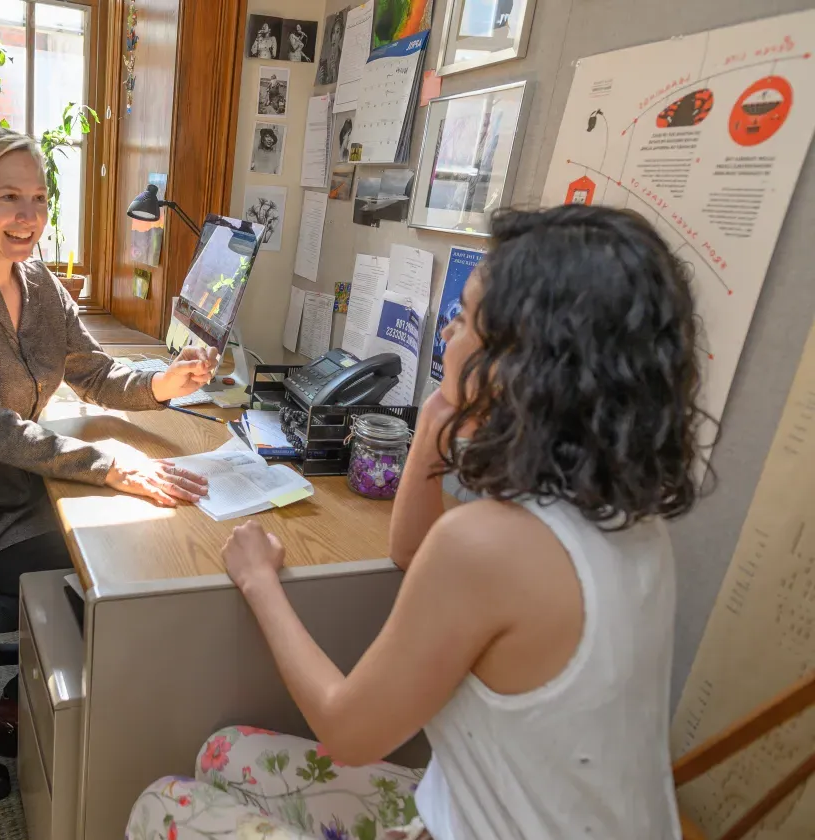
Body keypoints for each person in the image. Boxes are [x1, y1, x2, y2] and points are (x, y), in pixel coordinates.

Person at [126, 205, 709, 840]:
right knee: (222, 751)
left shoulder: (488, 543)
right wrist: (438, 411)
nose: (447, 331)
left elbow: (347, 732)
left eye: (464, 318)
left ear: (523, 366)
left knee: (160, 804)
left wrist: (259, 579)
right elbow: (409, 551)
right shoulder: (625, 513)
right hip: (512, 815)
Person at [0, 127, 217, 755]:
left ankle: (51, 677)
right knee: (107, 562)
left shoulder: (42, 286)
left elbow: (97, 371)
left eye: (39, 199)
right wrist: (109, 467)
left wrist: (165, 382)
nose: (28, 218)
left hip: (9, 487)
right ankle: (29, 701)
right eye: (8, 198)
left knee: (125, 537)